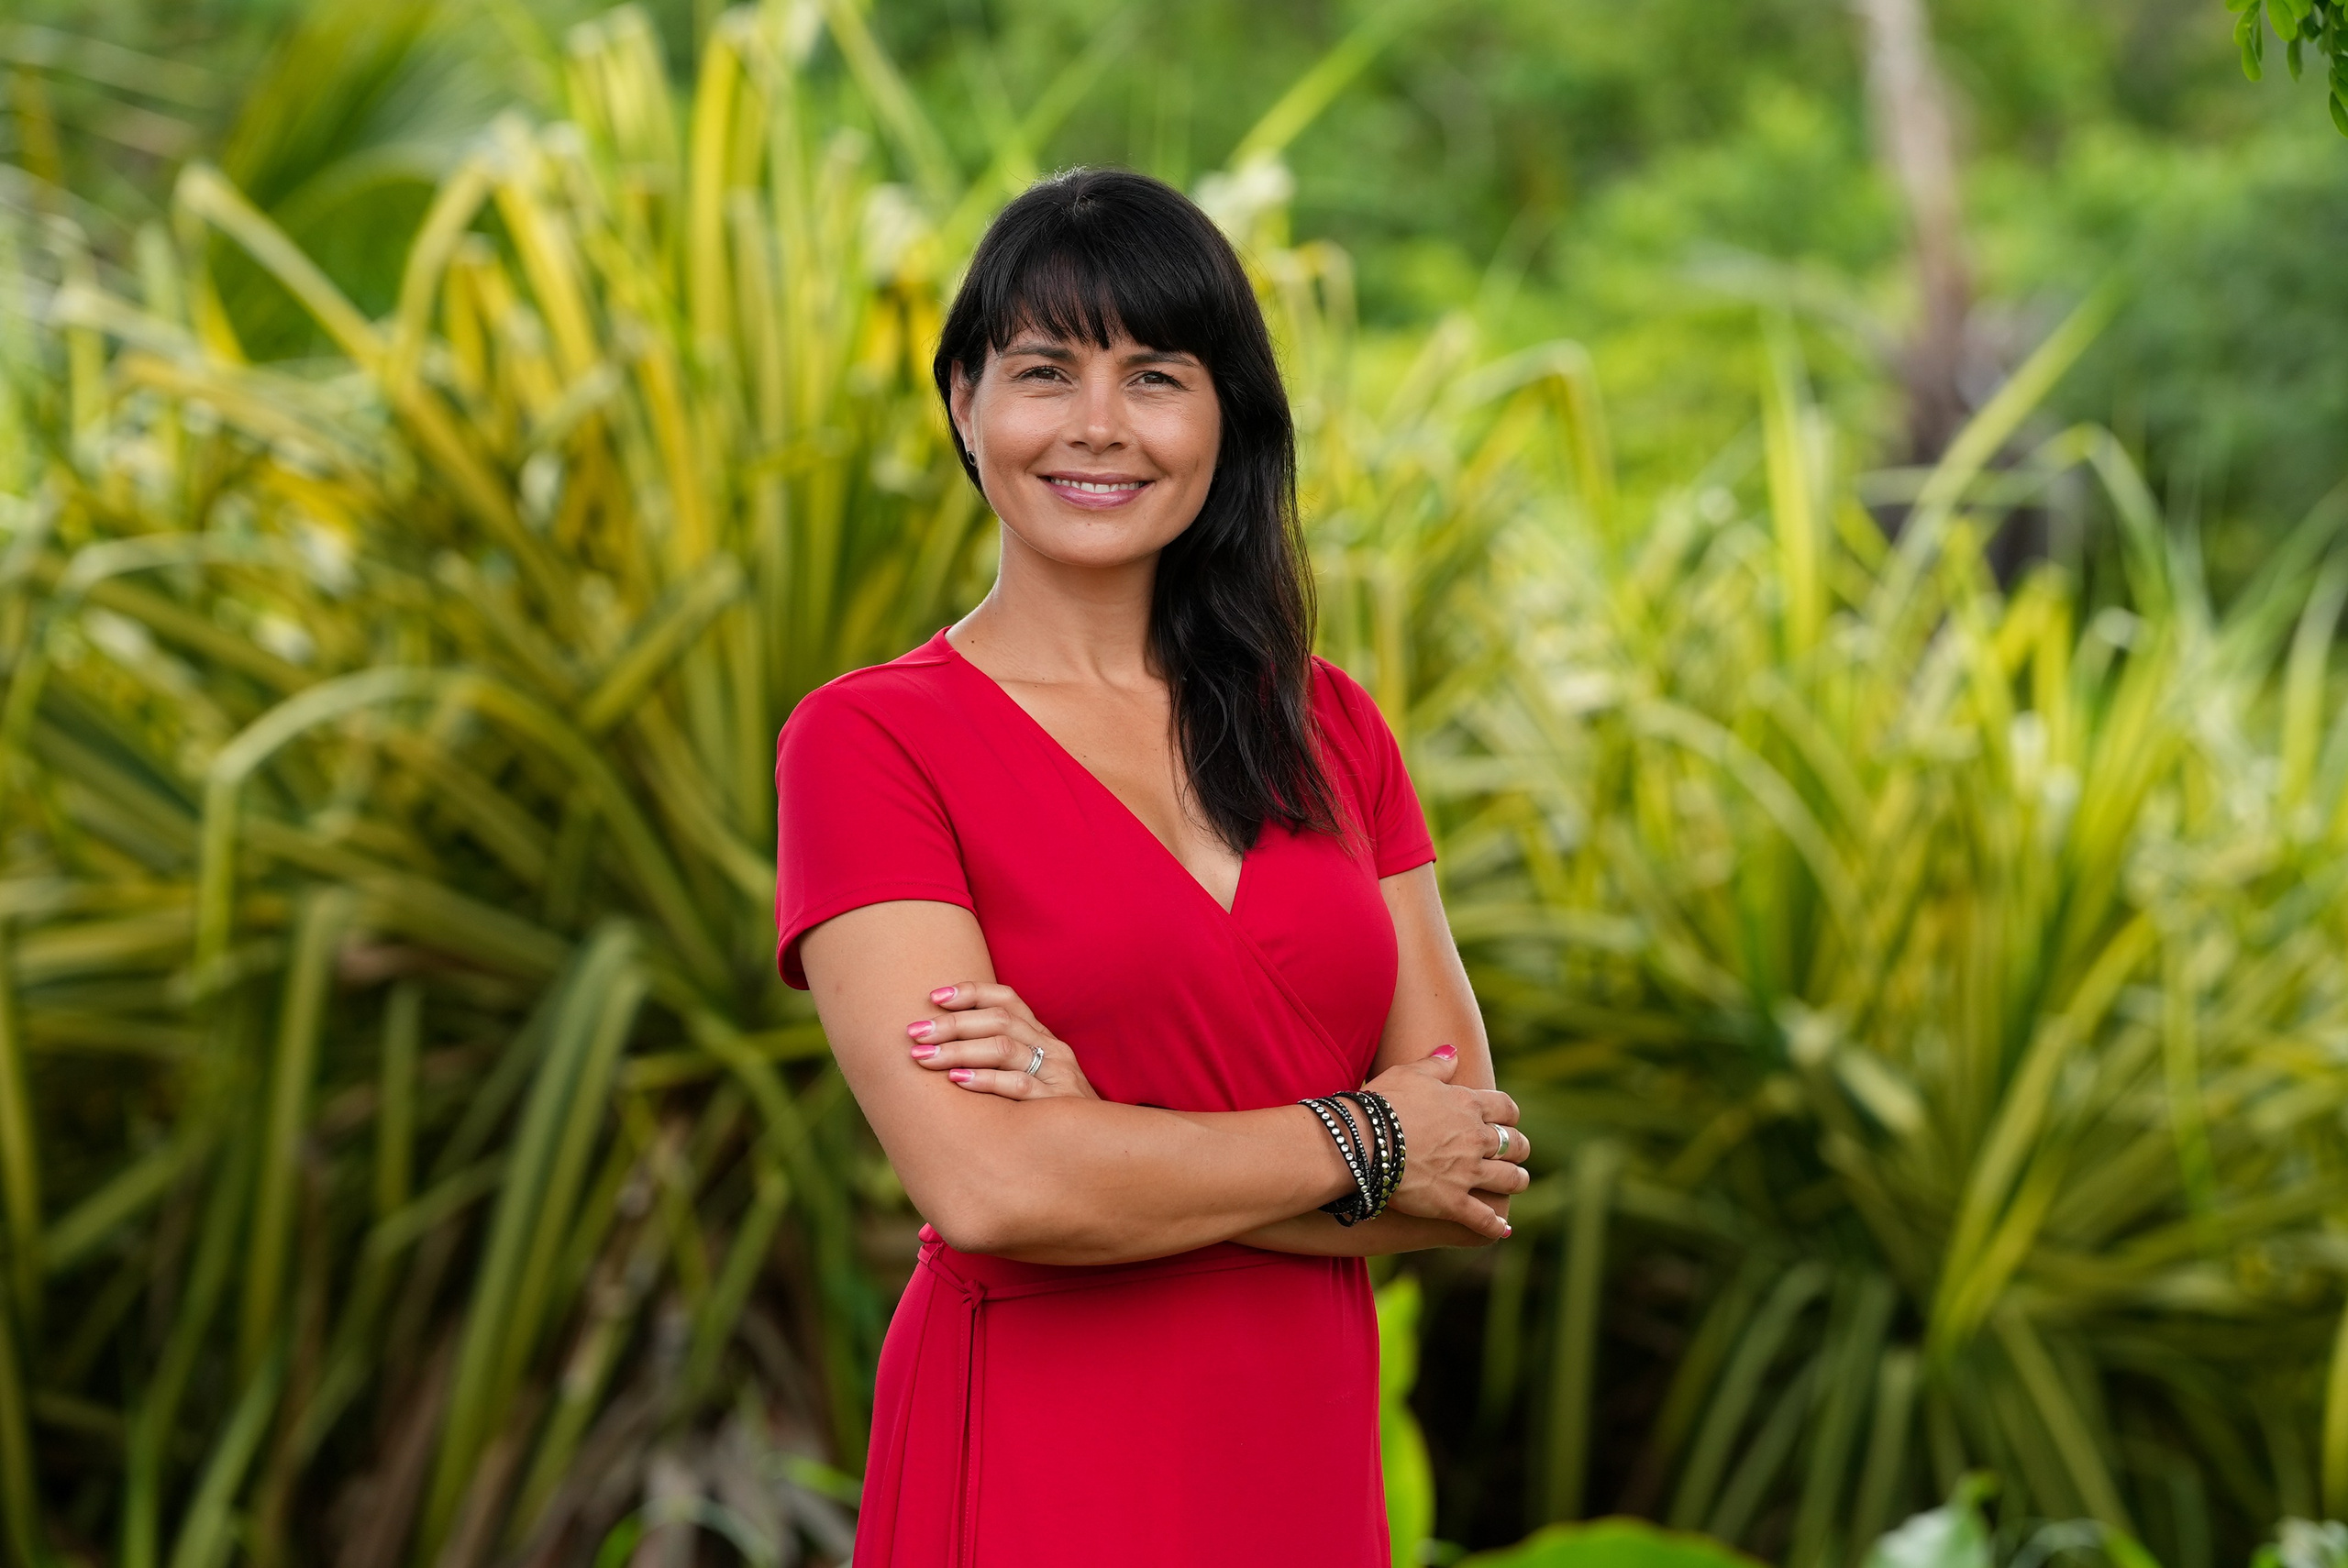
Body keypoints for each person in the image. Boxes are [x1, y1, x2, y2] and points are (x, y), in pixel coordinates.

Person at [774, 166, 1530, 1567]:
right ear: (965, 405)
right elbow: (995, 1193)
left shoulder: (1333, 726)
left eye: (1157, 374)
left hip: (1298, 1463)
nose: (1100, 427)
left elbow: (1463, 1168)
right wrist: (1357, 1140)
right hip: (1035, 1450)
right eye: (1047, 370)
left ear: (1224, 412)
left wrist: (1105, 1134)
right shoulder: (866, 741)